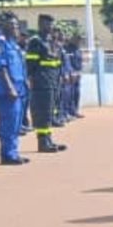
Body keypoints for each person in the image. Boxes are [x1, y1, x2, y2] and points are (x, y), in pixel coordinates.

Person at [0, 15, 28, 165]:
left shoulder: (14, 44)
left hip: (19, 87)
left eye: (16, 25)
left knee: (16, 122)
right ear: (3, 26)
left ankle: (13, 152)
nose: (15, 28)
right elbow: (1, 67)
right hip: (7, 90)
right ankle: (7, 154)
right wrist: (9, 87)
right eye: (11, 25)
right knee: (8, 122)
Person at [25, 15, 67, 153]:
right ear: (40, 24)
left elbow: (56, 62)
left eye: (51, 24)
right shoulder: (35, 42)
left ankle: (48, 139)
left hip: (53, 81)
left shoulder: (50, 41)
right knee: (42, 112)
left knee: (49, 112)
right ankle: (42, 143)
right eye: (47, 24)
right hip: (41, 82)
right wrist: (32, 79)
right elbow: (31, 63)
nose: (50, 27)